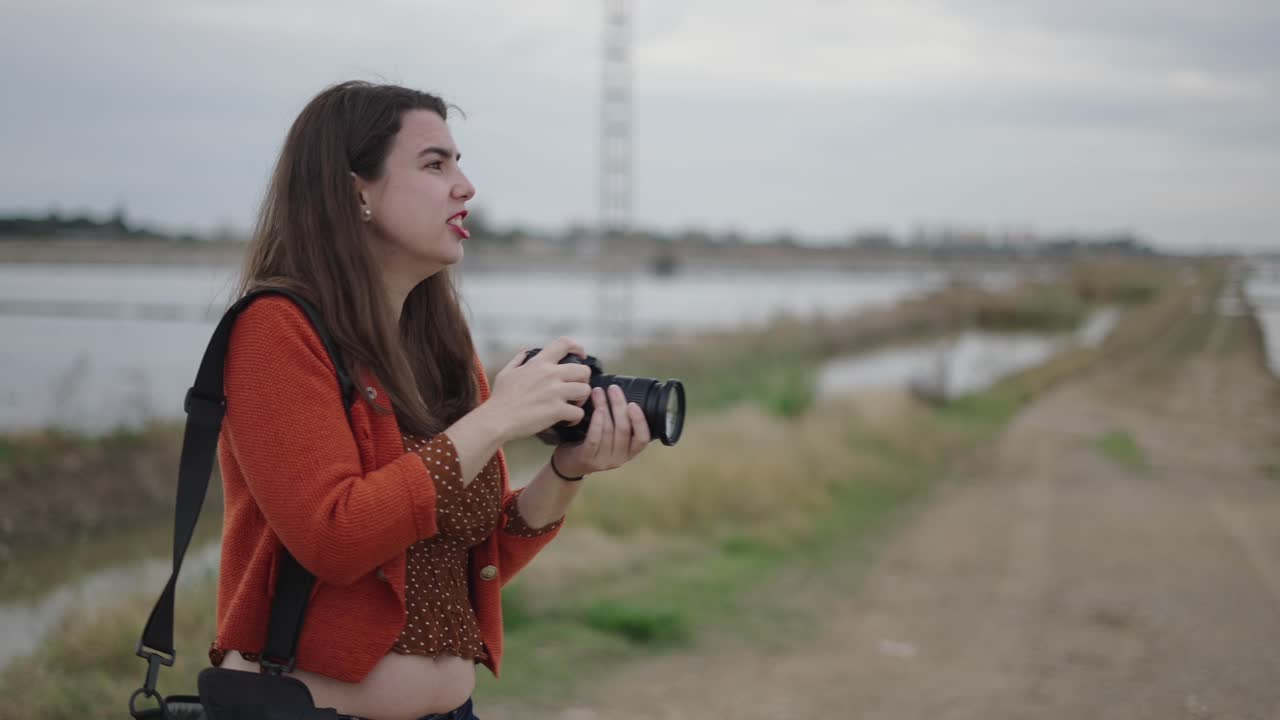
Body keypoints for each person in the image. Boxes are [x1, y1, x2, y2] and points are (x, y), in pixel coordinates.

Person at [207, 80, 652, 720]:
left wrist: (567, 469)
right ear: (354, 189)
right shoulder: (276, 329)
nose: (465, 187)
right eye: (435, 164)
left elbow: (476, 554)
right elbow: (336, 537)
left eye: (459, 163)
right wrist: (496, 419)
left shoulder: (438, 343)